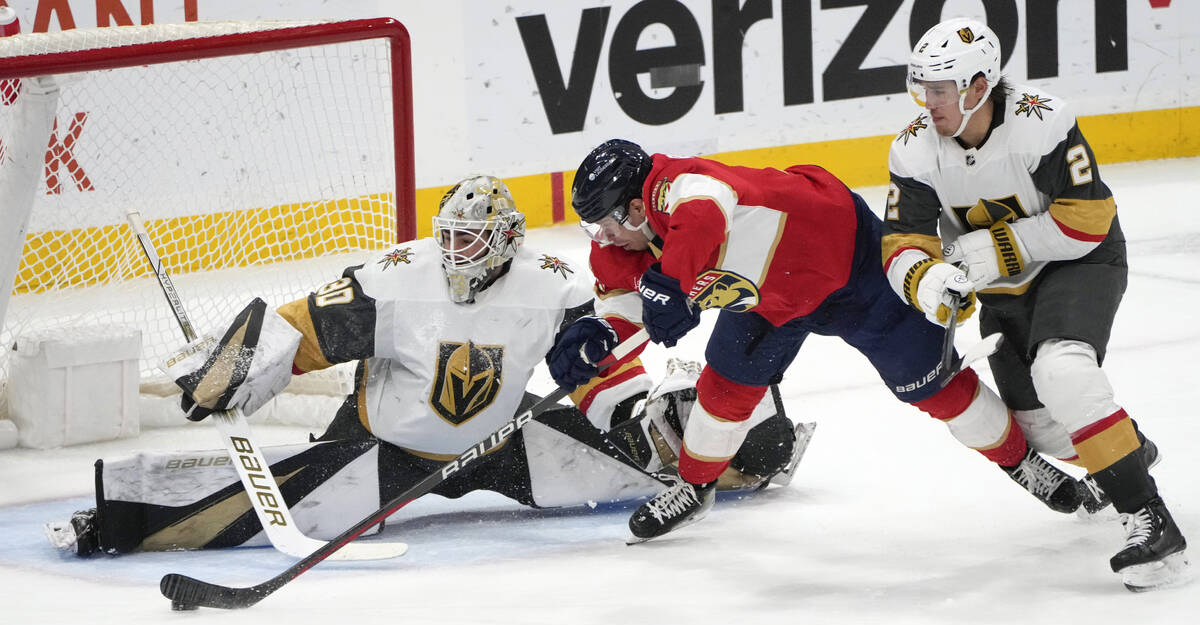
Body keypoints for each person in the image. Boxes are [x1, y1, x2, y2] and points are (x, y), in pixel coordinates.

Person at [45, 175, 800, 557]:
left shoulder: (554, 286)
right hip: (386, 448)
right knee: (272, 497)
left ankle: (752, 450)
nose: (453, 253)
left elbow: (594, 370)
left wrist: (633, 417)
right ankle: (113, 519)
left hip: (502, 446)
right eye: (447, 237)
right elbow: (298, 329)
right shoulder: (396, 276)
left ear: (504, 240)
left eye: (470, 242)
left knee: (654, 446)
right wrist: (236, 372)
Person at [548, 139, 1092, 545]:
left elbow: (706, 210)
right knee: (724, 390)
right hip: (768, 300)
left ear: (637, 208)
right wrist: (599, 337)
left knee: (935, 388)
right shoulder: (624, 244)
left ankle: (1021, 462)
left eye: (605, 224)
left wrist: (673, 285)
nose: (604, 238)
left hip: (854, 267)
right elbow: (624, 301)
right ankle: (695, 488)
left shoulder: (682, 185)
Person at [882, 17, 1186, 591]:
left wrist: (989, 249)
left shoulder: (1042, 121)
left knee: (1063, 370)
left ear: (978, 87)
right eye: (921, 87)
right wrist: (928, 281)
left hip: (1078, 264)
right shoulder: (913, 149)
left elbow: (1088, 220)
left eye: (941, 89)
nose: (928, 102)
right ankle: (1128, 448)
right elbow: (903, 243)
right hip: (1004, 291)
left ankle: (1151, 522)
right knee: (1045, 431)